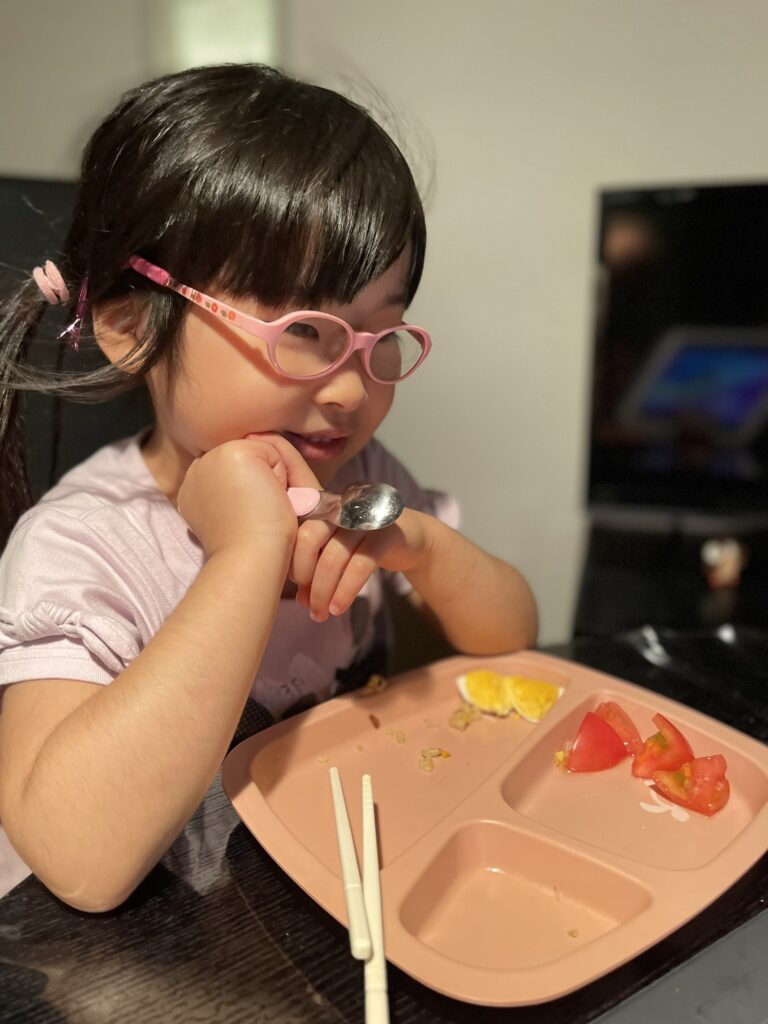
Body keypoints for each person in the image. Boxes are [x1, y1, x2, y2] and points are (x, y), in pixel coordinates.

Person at [0, 64, 537, 910]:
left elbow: (512, 641)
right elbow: (77, 859)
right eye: (307, 331)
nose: (351, 390)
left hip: (326, 899)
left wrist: (424, 547)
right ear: (132, 324)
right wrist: (246, 553)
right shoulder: (82, 544)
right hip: (157, 954)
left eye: (382, 336)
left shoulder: (358, 477)